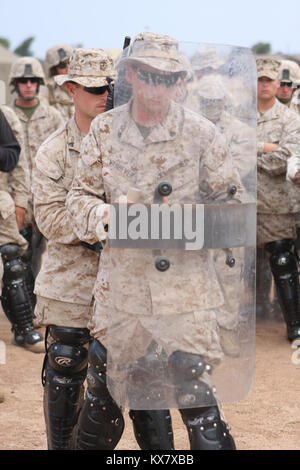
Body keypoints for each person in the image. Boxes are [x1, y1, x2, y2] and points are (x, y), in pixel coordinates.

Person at [66, 32, 251, 450]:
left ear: (180, 82)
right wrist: (104, 216)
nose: (156, 87)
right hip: (122, 295)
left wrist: (182, 225)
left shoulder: (202, 133)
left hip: (184, 295)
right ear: (131, 73)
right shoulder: (105, 130)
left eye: (167, 79)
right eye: (147, 75)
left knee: (200, 410)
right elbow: (78, 198)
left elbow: (233, 212)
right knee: (102, 408)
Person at [32, 47, 173, 450]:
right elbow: (52, 221)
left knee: (147, 379)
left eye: (111, 88)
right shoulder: (53, 152)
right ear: (71, 90)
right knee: (65, 368)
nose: (104, 96)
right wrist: (105, 222)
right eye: (95, 87)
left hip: (130, 284)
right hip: (72, 281)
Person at [8, 56, 64, 308]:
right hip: (17, 200)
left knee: (51, 257)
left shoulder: (53, 116)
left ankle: (45, 306)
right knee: (21, 259)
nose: (28, 85)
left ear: (40, 83)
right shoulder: (8, 117)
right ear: (15, 84)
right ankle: (26, 312)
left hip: (49, 199)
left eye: (33, 80)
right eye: (23, 80)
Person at [256, 57, 300, 341]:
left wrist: (252, 148)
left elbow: (285, 159)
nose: (266, 85)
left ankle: (294, 324)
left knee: (283, 261)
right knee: (236, 264)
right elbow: (227, 149)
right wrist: (266, 148)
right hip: (242, 204)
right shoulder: (238, 115)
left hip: (277, 206)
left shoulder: (291, 120)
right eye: (260, 79)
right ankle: (252, 314)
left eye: (269, 80)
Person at [44, 43, 74, 120]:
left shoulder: (86, 89)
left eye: (70, 62)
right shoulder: (46, 92)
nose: (68, 67)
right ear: (54, 69)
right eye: (62, 65)